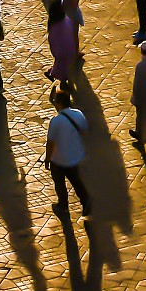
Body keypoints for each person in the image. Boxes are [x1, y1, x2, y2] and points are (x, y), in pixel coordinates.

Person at [45, 92, 91, 222]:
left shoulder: (55, 121)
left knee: (59, 184)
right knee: (77, 182)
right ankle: (86, 203)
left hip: (59, 160)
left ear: (58, 103)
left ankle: (63, 206)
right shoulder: (79, 114)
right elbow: (85, 133)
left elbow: (51, 143)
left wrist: (47, 159)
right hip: (76, 157)